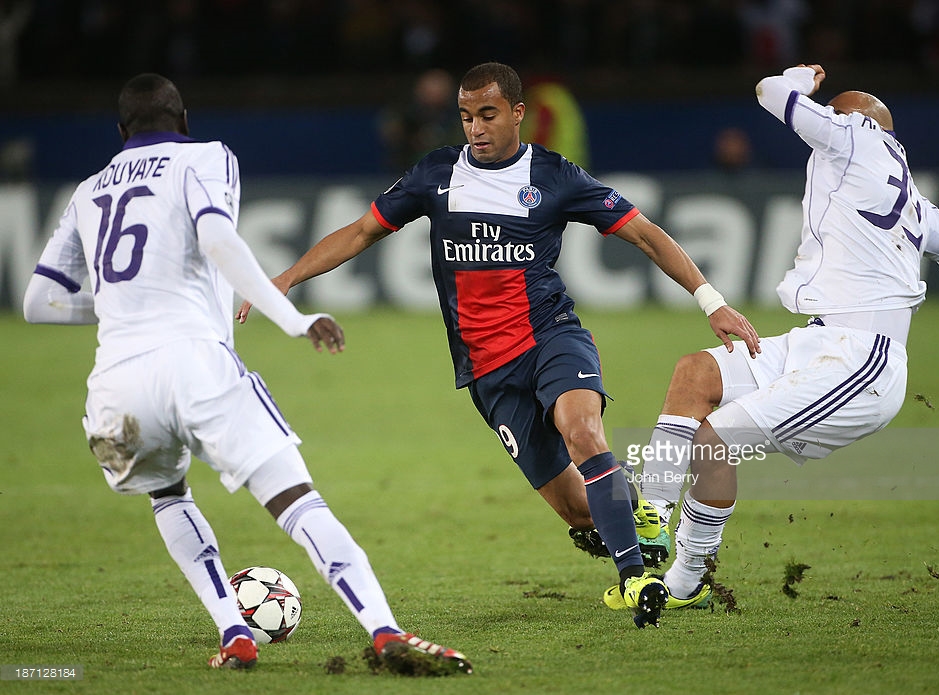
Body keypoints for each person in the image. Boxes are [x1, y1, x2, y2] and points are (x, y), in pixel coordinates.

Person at [238, 62, 761, 629]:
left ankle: (634, 578)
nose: (475, 128)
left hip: (551, 337)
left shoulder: (555, 177)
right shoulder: (435, 176)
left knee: (582, 430)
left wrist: (712, 300)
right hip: (488, 371)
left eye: (487, 115)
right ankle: (636, 512)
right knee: (579, 511)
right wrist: (287, 278)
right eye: (465, 117)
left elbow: (642, 233)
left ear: (517, 113)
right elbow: (362, 231)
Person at [22, 73, 471, 675]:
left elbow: (38, 303)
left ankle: (234, 633)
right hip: (193, 361)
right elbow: (217, 238)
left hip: (115, 385)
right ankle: (384, 631)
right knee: (297, 501)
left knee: (167, 494)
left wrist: (122, 306)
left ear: (120, 131)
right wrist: (291, 317)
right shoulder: (207, 158)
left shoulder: (87, 191)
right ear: (183, 119)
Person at [622, 63, 939, 612]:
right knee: (697, 372)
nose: (823, 120)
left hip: (863, 360)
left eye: (833, 111)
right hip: (818, 341)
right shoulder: (913, 200)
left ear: (855, 121)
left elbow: (770, 92)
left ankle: (687, 581)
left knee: (714, 440)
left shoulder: (853, 138)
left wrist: (800, 80)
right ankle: (653, 518)